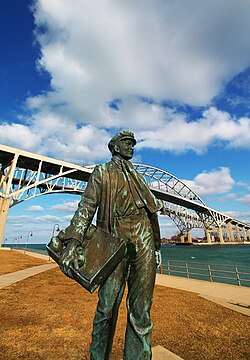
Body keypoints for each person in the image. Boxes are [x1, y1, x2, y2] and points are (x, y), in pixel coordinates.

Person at [60, 130, 162, 360]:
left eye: (133, 144)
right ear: (115, 147)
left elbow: (151, 211)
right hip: (115, 241)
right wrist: (73, 241)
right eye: (127, 143)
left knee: (141, 311)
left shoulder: (139, 176)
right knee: (107, 308)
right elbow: (86, 207)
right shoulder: (102, 172)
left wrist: (156, 246)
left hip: (144, 239)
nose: (131, 147)